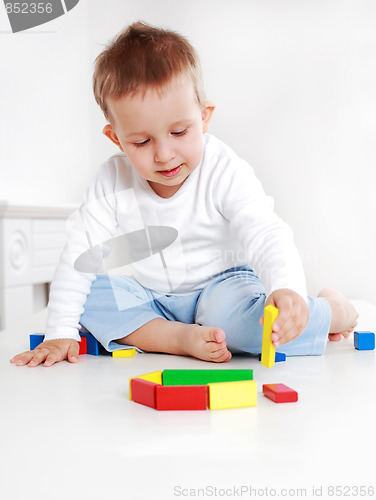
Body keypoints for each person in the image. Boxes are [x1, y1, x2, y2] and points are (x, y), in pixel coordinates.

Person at [10, 21, 358, 368]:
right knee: (90, 297)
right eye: (142, 142)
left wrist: (287, 288)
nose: (164, 154)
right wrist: (60, 331)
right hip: (151, 297)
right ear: (116, 138)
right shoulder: (112, 178)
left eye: (179, 131)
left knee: (257, 326)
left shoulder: (223, 169)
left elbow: (265, 233)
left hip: (223, 290)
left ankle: (333, 310)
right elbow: (80, 255)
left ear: (204, 118)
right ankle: (176, 338)